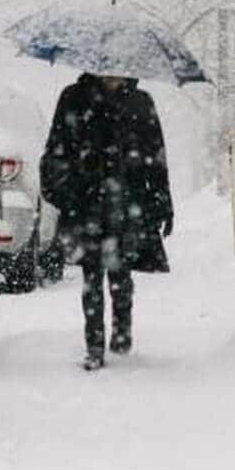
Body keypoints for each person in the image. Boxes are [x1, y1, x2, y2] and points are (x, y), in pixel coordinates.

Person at [39, 73, 173, 371]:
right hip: (86, 201)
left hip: (127, 201)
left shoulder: (140, 102)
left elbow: (155, 154)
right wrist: (62, 189)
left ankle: (122, 330)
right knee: (91, 274)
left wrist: (163, 202)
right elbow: (56, 147)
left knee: (121, 270)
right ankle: (94, 344)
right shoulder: (74, 97)